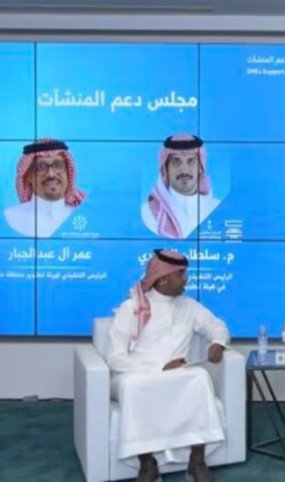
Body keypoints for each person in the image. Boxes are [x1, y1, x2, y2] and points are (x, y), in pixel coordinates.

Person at [106, 249, 229, 482]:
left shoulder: (189, 306)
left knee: (199, 377)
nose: (186, 279)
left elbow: (217, 326)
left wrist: (218, 343)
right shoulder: (131, 308)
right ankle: (147, 463)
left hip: (175, 375)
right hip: (135, 375)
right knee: (132, 386)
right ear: (162, 278)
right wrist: (157, 370)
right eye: (180, 274)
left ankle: (197, 461)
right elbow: (115, 357)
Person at [142, 134, 221, 239]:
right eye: (176, 162)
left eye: (191, 161)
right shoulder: (146, 212)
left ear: (200, 168)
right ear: (165, 170)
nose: (184, 170)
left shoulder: (219, 209)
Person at [3, 138, 86, 237]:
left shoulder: (81, 215)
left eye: (58, 165)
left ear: (68, 173)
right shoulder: (9, 217)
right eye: (41, 167)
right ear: (28, 176)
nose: (51, 174)